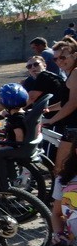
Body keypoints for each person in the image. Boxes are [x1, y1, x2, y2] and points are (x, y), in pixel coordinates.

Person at [44, 37, 77, 174]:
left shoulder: (75, 73)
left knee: (59, 169)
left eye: (63, 57)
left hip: (74, 128)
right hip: (72, 127)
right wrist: (47, 109)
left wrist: (51, 120)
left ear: (75, 55)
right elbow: (65, 102)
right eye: (55, 59)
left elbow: (73, 103)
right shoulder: (70, 73)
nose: (59, 61)